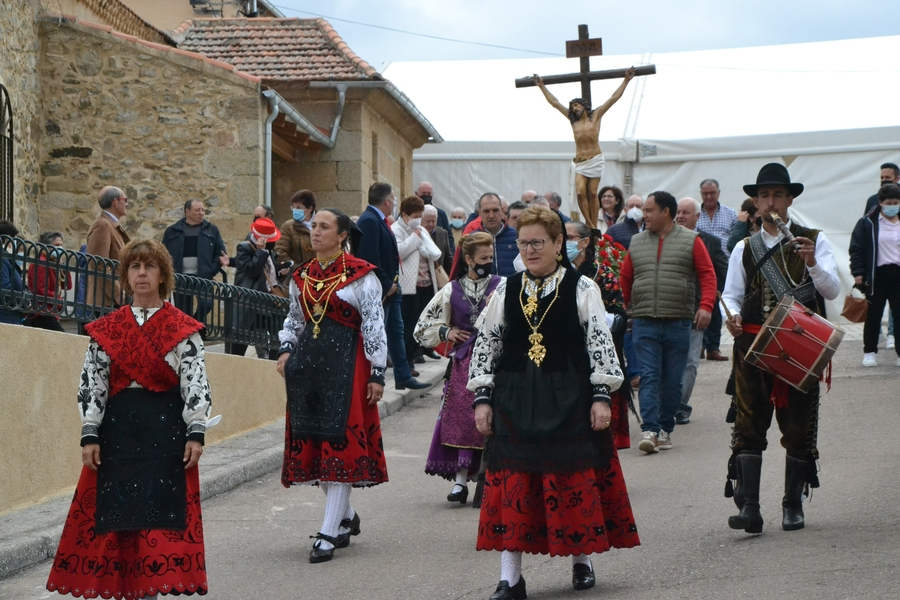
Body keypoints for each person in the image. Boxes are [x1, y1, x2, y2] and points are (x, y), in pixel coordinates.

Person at [468, 205, 638, 599]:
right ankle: (510, 579)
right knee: (513, 483)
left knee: (571, 478)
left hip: (569, 396)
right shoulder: (506, 289)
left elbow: (599, 343)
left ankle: (581, 559)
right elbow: (487, 344)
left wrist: (601, 396)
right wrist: (482, 398)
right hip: (515, 397)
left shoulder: (582, 287)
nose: (529, 250)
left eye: (538, 243)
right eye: (523, 243)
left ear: (559, 243)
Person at [47, 239, 211, 599]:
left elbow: (195, 382)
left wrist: (195, 432)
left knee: (157, 527)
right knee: (117, 523)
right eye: (134, 266)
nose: (141, 273)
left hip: (166, 437)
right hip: (117, 436)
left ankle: (150, 593)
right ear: (125, 275)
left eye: (149, 266)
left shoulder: (183, 329)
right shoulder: (107, 329)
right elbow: (93, 383)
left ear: (163, 275)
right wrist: (90, 433)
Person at [721, 163, 841, 534]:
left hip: (799, 348)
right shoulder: (744, 247)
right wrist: (732, 316)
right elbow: (731, 294)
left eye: (777, 195)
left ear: (789, 200)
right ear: (756, 203)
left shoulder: (814, 240)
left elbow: (832, 291)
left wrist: (812, 263)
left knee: (799, 425)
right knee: (748, 424)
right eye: (764, 196)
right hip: (754, 347)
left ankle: (793, 505)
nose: (770, 202)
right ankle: (750, 508)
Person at [276, 208, 389, 563]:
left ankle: (327, 533)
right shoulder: (301, 276)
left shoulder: (362, 276)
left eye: (324, 227)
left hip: (348, 368)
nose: (316, 232)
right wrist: (285, 349)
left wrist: (377, 371)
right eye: (314, 226)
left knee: (338, 446)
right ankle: (345, 516)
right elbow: (294, 318)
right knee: (315, 444)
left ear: (342, 236)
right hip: (308, 370)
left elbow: (373, 323)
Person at [619, 191, 716, 454]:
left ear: (665, 212)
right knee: (649, 376)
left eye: (649, 210)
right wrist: (623, 309)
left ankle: (664, 428)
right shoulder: (637, 242)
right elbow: (625, 278)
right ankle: (650, 430)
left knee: (673, 381)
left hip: (678, 321)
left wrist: (706, 306)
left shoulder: (691, 240)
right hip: (644, 321)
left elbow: (708, 275)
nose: (643, 215)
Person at [415, 232, 502, 502]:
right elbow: (421, 328)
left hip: (495, 360)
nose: (488, 262)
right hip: (463, 362)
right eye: (483, 258)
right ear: (468, 259)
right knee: (463, 420)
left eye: (490, 257)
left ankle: (489, 479)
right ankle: (460, 481)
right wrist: (447, 331)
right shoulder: (452, 289)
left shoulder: (502, 286)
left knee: (491, 418)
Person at [534, 68, 635, 230]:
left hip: (595, 159)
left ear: (583, 105)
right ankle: (589, 223)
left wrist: (626, 80)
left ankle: (593, 224)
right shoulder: (572, 120)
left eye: (576, 105)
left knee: (593, 193)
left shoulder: (596, 116)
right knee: (581, 192)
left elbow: (613, 98)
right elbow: (555, 103)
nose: (574, 108)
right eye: (572, 106)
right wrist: (542, 86)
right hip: (580, 162)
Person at [355, 182, 430, 390]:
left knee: (397, 332)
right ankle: (372, 378)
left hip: (392, 287)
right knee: (378, 334)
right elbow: (369, 257)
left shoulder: (379, 220)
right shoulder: (369, 220)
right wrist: (387, 283)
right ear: (387, 201)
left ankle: (403, 375)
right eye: (394, 199)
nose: (395, 203)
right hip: (382, 288)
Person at [566, 219, 633, 448]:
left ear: (585, 242)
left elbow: (620, 317)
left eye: (570, 238)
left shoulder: (602, 274)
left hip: (596, 352)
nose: (564, 243)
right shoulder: (558, 273)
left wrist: (595, 318)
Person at [674, 198, 729, 425]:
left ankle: (680, 407)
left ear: (697, 217)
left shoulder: (710, 242)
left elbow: (721, 273)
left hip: (696, 311)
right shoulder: (664, 238)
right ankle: (666, 404)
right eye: (678, 212)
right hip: (669, 310)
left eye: (685, 212)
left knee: (689, 362)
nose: (680, 216)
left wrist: (711, 300)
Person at [850, 183, 900, 367]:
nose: (892, 206)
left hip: (898, 273)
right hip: (877, 274)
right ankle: (869, 352)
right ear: (880, 203)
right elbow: (857, 249)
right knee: (873, 315)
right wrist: (858, 272)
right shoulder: (868, 223)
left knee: (899, 314)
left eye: (896, 203)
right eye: (889, 203)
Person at [392, 196, 441, 376]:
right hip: (408, 287)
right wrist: (414, 238)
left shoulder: (421, 229)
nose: (418, 220)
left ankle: (418, 352)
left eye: (420, 216)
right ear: (405, 215)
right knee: (407, 326)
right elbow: (399, 252)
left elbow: (432, 252)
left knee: (421, 324)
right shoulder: (396, 230)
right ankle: (406, 362)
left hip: (425, 283)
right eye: (415, 216)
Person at [161, 199, 229, 325]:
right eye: (197, 210)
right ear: (187, 212)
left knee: (206, 304)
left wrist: (211, 270)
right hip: (180, 277)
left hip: (203, 276)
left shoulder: (211, 230)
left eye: (203, 210)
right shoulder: (172, 231)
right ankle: (187, 330)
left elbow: (220, 253)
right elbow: (163, 253)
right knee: (182, 310)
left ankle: (194, 324)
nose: (201, 213)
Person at [229, 217, 282, 360]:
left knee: (278, 336)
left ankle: (271, 364)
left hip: (268, 301)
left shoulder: (269, 251)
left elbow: (269, 273)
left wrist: (281, 270)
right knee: (242, 338)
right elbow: (251, 270)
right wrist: (260, 251)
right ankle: (234, 364)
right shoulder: (244, 248)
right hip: (250, 301)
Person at [862, 163, 899, 348]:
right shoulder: (872, 200)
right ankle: (873, 343)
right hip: (878, 268)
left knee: (897, 308)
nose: (884, 180)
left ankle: (893, 334)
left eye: (888, 178)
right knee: (874, 309)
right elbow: (865, 231)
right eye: (882, 177)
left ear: (897, 178)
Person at [84, 186, 130, 313]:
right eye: (125, 200)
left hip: (113, 301)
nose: (127, 204)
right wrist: (117, 293)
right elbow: (99, 264)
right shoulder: (103, 225)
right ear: (115, 202)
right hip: (107, 301)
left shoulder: (110, 224)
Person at [25, 231, 72, 332]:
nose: (60, 248)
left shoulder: (53, 262)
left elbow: (67, 285)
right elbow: (41, 291)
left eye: (61, 245)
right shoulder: (41, 263)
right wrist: (59, 300)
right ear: (47, 247)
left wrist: (63, 266)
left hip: (51, 312)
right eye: (57, 245)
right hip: (42, 312)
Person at [275, 189, 316, 268]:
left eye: (298, 207)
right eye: (293, 207)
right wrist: (297, 269)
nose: (295, 210)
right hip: (299, 272)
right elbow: (280, 251)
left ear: (310, 209)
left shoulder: (322, 224)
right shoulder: (288, 226)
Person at [416, 181, 454, 255]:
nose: (426, 195)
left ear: (432, 194)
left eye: (429, 193)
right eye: (423, 193)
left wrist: (451, 255)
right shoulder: (410, 213)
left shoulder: (440, 213)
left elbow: (449, 237)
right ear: (417, 194)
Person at [0, 220, 25, 325]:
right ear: (7, 239)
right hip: (5, 316)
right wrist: (23, 302)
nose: (16, 243)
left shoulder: (8, 259)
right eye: (14, 239)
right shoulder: (3, 259)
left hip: (11, 315)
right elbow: (5, 288)